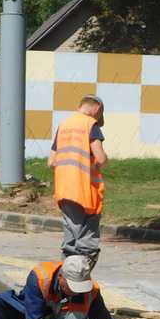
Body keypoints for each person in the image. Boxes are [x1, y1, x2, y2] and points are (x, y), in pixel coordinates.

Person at [49, 95, 107, 265]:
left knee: (70, 243)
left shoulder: (64, 126)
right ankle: (79, 285)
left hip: (64, 191)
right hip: (85, 193)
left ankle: (65, 283)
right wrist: (97, 164)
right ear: (96, 109)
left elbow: (51, 162)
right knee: (86, 246)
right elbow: (101, 158)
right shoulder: (90, 124)